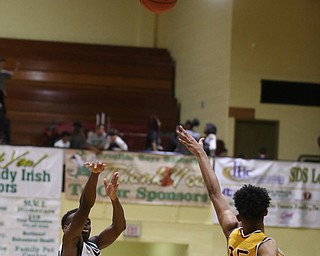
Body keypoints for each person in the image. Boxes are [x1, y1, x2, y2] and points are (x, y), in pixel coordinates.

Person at [176, 126, 284, 256]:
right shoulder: (266, 245)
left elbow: (214, 194)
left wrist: (200, 154)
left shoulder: (232, 232)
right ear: (265, 212)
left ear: (238, 216)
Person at [58, 161, 126, 256]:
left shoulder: (92, 245)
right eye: (81, 221)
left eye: (88, 222)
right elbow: (84, 207)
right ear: (66, 229)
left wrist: (114, 199)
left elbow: (119, 227)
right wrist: (94, 174)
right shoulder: (69, 243)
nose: (85, 222)